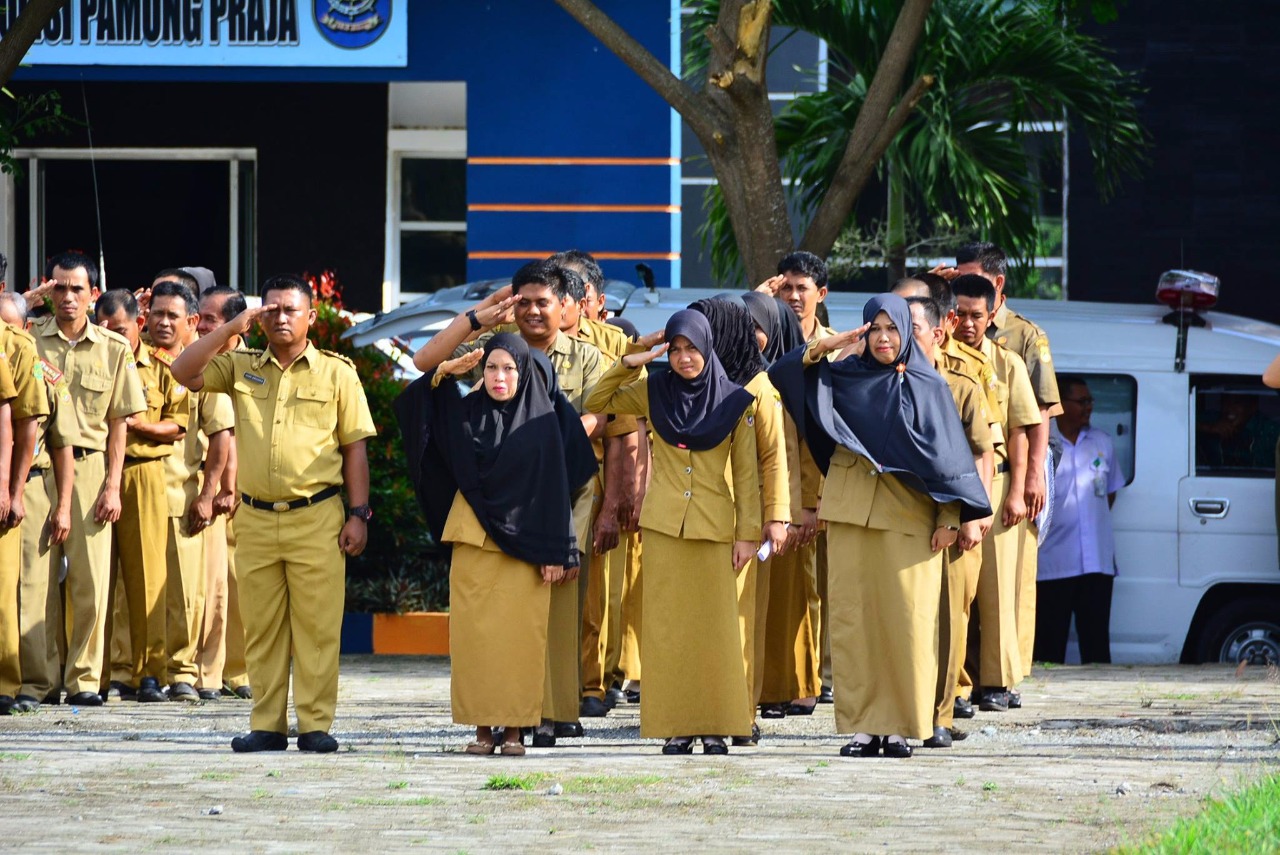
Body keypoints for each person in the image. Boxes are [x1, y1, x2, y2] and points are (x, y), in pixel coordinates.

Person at [770, 293, 991, 758]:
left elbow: (950, 460)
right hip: (851, 513)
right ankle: (863, 727)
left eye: (894, 329)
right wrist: (830, 345)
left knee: (906, 624)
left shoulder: (929, 386)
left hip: (910, 520)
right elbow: (784, 374)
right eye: (875, 329)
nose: (885, 338)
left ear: (908, 334)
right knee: (854, 624)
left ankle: (900, 727)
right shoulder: (844, 376)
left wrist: (951, 517)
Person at [171, 274, 375, 753]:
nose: (281, 317)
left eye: (291, 310)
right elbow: (184, 371)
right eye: (273, 309)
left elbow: (355, 450)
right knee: (261, 628)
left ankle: (315, 724)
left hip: (317, 515)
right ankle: (267, 724)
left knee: (318, 628)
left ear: (311, 317)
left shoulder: (336, 372)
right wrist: (230, 328)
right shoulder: (240, 365)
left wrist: (359, 514)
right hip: (257, 517)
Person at [412, 260, 607, 747]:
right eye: (524, 302)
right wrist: (481, 317)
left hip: (547, 514)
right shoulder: (483, 355)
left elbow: (593, 449)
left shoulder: (585, 361)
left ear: (566, 306)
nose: (534, 311)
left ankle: (551, 713)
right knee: (482, 636)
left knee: (545, 629)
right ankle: (490, 723)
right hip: (482, 526)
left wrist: (571, 536)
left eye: (544, 301)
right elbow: (425, 372)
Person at [586, 310, 760, 755]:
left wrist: (747, 535)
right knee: (668, 632)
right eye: (677, 349)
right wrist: (630, 359)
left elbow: (745, 476)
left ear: (708, 348)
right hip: (663, 527)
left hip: (716, 529)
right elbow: (596, 400)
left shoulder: (735, 401)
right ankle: (677, 726)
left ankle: (718, 725)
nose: (684, 359)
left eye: (692, 349)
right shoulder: (653, 391)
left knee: (716, 633)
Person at [31, 253, 146, 707]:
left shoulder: (112, 348)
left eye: (77, 289)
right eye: (58, 288)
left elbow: (121, 422)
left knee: (91, 581)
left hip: (93, 466)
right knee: (37, 579)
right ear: (48, 291)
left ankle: (82, 680)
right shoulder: (29, 341)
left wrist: (113, 485)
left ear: (93, 294)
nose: (67, 297)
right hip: (38, 469)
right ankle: (39, 681)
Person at [948, 243, 1062, 698]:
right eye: (956, 289)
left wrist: (1030, 480)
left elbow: (1036, 417)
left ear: (996, 288)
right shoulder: (941, 341)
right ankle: (957, 676)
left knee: (1001, 582)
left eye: (977, 309)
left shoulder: (1020, 339)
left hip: (1004, 471)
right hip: (952, 475)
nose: (969, 321)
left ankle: (997, 678)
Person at [688, 296, 790, 745]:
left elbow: (773, 458)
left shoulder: (759, 386)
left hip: (741, 521)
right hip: (694, 520)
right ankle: (695, 710)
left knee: (740, 621)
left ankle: (740, 712)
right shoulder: (689, 382)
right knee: (695, 622)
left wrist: (776, 519)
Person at [550, 251, 641, 718]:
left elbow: (627, 431)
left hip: (592, 484)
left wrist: (621, 501)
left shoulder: (606, 350)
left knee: (593, 594)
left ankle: (594, 683)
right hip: (534, 490)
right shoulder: (515, 351)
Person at [904, 296, 994, 747]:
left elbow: (983, 453)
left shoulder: (962, 386)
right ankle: (905, 712)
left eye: (910, 326)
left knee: (949, 621)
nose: (896, 335)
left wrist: (976, 516)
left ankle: (940, 715)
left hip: (956, 521)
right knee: (906, 618)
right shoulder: (888, 382)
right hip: (904, 519)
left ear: (938, 333)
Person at [97, 289, 189, 703]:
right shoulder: (94, 357)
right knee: (96, 580)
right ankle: (103, 674)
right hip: (93, 471)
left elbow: (178, 424)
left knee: (148, 577)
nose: (112, 337)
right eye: (104, 329)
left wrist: (138, 426)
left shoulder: (160, 365)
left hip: (143, 473)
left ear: (138, 324)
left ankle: (152, 672)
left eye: (119, 329)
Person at [146, 277, 235, 702]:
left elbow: (222, 436)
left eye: (173, 316)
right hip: (140, 492)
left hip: (184, 493)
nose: (163, 323)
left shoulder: (205, 368)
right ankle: (144, 671)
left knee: (187, 592)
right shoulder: (135, 361)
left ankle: (184, 672)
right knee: (138, 589)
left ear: (192, 322)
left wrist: (209, 493)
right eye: (156, 314)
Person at [755, 252, 833, 710]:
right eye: (786, 288)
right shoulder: (762, 348)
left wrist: (810, 500)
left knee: (816, 592)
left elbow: (822, 436)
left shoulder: (838, 349)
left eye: (803, 288)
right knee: (779, 592)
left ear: (820, 295)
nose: (794, 296)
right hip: (773, 493)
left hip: (819, 492)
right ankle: (778, 684)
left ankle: (811, 682)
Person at [3, 290, 74, 715]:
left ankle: (32, 680)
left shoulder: (45, 372)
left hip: (29, 482)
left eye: (12, 326)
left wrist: (63, 504)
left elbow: (62, 443)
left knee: (31, 587)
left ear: (25, 328)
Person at [1036, 377, 1124, 664]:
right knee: (1049, 646)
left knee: (1096, 645)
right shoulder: (1044, 445)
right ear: (1062, 404)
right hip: (1054, 562)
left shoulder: (1102, 442)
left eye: (1091, 401)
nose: (1089, 407)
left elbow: (1109, 493)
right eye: (1082, 401)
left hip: (1096, 563)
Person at [192, 286, 251, 701]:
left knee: (242, 586)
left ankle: (241, 671)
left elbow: (230, 432)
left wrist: (229, 487)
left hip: (247, 490)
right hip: (210, 489)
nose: (202, 324)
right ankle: (206, 670)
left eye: (211, 319)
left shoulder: (255, 362)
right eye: (201, 316)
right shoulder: (201, 361)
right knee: (211, 586)